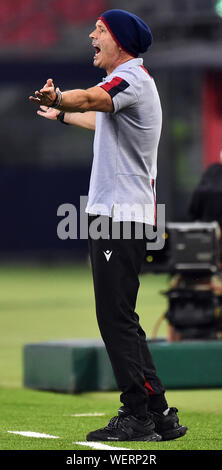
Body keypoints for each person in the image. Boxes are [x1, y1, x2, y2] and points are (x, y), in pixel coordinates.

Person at [29, 9, 187, 442]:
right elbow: (99, 119)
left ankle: (136, 413)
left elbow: (92, 100)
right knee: (122, 317)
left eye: (99, 30)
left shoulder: (130, 79)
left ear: (119, 40)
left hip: (120, 217)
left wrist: (60, 98)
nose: (91, 35)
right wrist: (60, 112)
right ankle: (159, 412)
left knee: (114, 318)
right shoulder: (132, 86)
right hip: (119, 215)